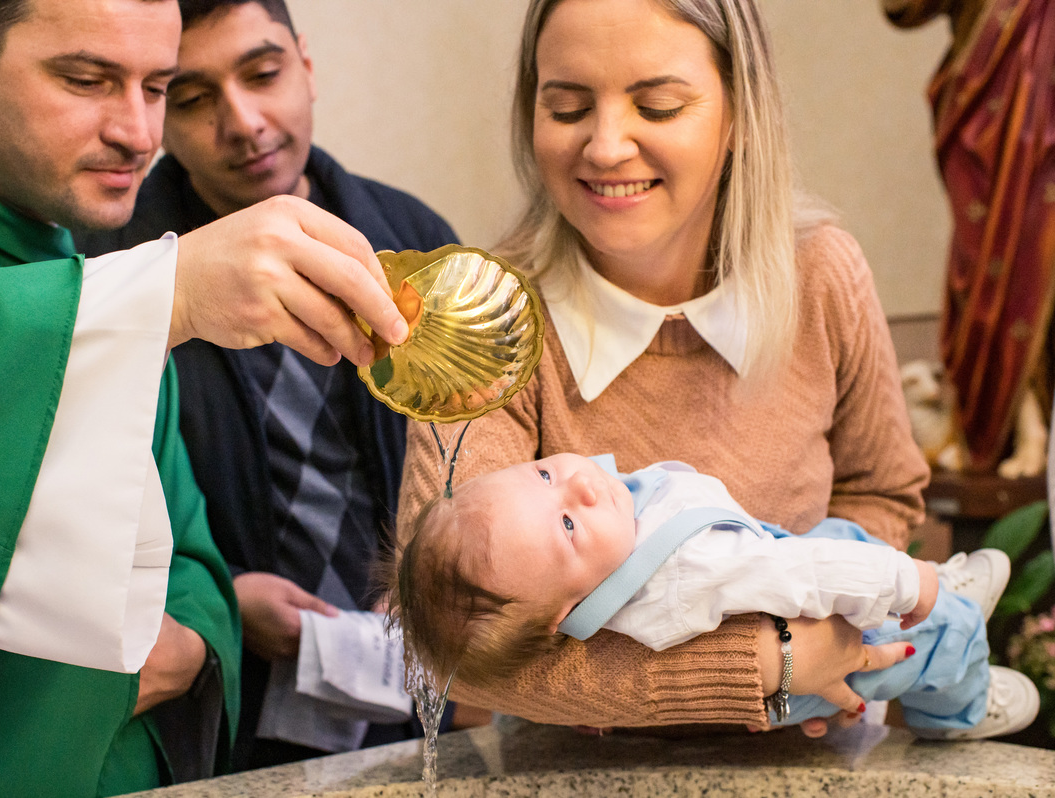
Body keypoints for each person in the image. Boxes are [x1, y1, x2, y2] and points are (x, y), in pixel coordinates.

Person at [0, 0, 415, 794]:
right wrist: (167, 290)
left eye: (157, 87)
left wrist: (195, 639)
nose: (140, 134)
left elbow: (183, 549)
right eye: (87, 80)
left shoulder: (88, 264)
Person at [396, 0, 946, 735]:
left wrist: (834, 631)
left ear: (739, 113)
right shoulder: (480, 324)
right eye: (566, 107)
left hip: (814, 756)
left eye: (656, 105)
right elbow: (454, 640)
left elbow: (883, 491)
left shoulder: (821, 272)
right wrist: (769, 663)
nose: (606, 146)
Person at [78, 0, 459, 770]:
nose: (244, 121)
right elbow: (84, 515)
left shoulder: (415, 234)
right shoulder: (112, 274)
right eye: (190, 96)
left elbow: (479, 442)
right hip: (224, 721)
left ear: (306, 65)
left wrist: (441, 564)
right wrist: (218, 599)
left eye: (263, 73)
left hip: (430, 701)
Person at [392, 451, 1040, 739]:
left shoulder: (605, 538)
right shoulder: (680, 571)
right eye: (567, 525)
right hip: (805, 618)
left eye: (542, 472)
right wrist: (908, 581)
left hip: (783, 556)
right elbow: (803, 573)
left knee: (844, 535)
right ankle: (961, 705)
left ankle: (941, 597)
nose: (580, 485)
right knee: (921, 643)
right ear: (567, 611)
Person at [882, 0, 1055, 477]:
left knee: (1030, 261)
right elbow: (901, 9)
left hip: (1032, 65)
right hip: (981, 78)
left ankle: (1033, 427)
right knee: (991, 267)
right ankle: (1015, 425)